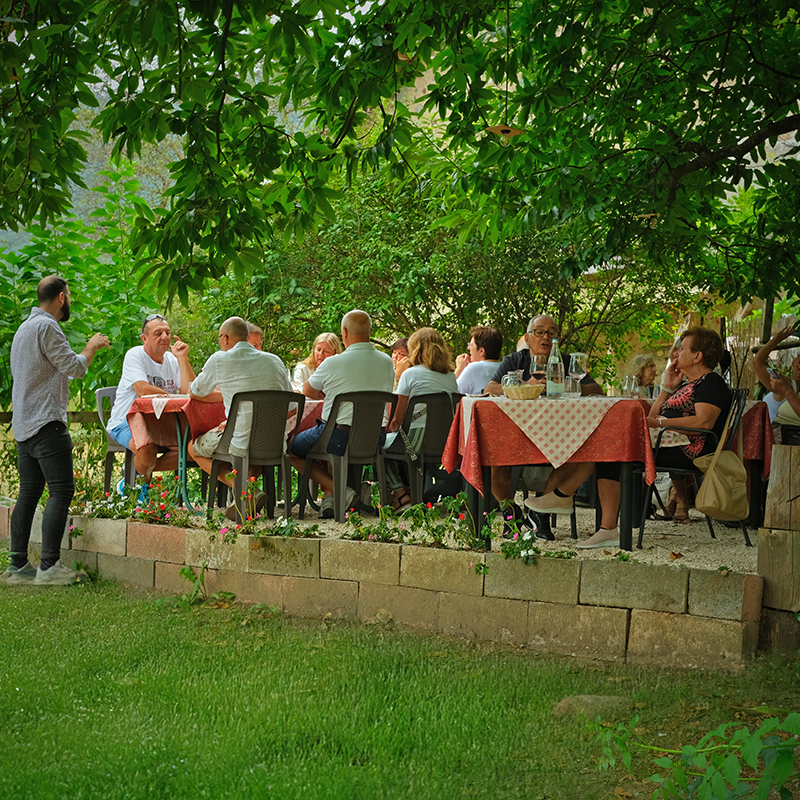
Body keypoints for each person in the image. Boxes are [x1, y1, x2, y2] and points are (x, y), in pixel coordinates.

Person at [526, 327, 732, 548]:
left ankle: (570, 500)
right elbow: (652, 417)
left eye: (682, 350)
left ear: (697, 356)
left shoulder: (711, 382)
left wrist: (661, 423)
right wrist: (666, 389)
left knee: (610, 446)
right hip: (666, 443)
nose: (676, 354)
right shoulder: (686, 385)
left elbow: (703, 423)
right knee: (607, 444)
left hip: (690, 451)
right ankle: (602, 526)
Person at [5, 276, 110, 586]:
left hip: (24, 425)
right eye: (70, 296)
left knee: (28, 495)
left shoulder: (24, 329)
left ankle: (17, 567)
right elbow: (74, 367)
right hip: (46, 422)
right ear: (62, 297)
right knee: (61, 490)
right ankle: (50, 567)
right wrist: (90, 347)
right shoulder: (48, 327)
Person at [483, 315, 602, 528]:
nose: (545, 337)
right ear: (528, 338)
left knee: (586, 449)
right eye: (539, 332)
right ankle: (511, 513)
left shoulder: (566, 362)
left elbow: (597, 390)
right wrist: (525, 385)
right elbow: (489, 389)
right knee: (489, 456)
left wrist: (570, 387)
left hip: (560, 438)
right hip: (517, 435)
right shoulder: (515, 360)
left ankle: (541, 512)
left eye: (552, 332)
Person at [290, 310, 394, 518]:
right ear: (370, 331)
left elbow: (308, 391)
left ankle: (338, 489)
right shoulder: (386, 362)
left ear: (344, 333)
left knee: (292, 450)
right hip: (375, 437)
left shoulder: (333, 363)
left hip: (339, 437)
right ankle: (334, 496)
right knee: (329, 433)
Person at [187, 317, 293, 520]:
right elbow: (293, 406)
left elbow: (195, 391)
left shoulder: (220, 359)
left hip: (239, 443)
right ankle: (247, 494)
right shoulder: (274, 360)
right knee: (253, 455)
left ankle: (243, 489)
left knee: (193, 447)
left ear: (225, 337)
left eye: (219, 338)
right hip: (274, 442)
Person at [106, 313, 196, 484]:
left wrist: (183, 359)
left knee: (195, 448)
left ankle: (137, 473)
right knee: (146, 448)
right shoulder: (135, 355)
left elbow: (190, 391)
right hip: (125, 420)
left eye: (167, 333)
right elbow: (142, 389)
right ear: (144, 338)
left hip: (161, 422)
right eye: (158, 333)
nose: (165, 337)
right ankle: (143, 490)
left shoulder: (172, 359)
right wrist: (176, 397)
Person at [383, 328, 459, 509]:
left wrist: (388, 431)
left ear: (414, 349)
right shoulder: (450, 376)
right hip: (445, 441)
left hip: (416, 441)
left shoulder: (410, 374)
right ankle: (413, 491)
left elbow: (398, 419)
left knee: (379, 446)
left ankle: (401, 494)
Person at [752, 322, 800, 429]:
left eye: (798, 356)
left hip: (768, 434)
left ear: (796, 365)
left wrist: (776, 340)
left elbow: (757, 362)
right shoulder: (790, 386)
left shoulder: (786, 384)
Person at [455, 326, 503, 395]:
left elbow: (451, 392)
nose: (468, 348)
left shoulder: (475, 367)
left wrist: (459, 368)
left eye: (471, 345)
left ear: (481, 351)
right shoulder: (504, 367)